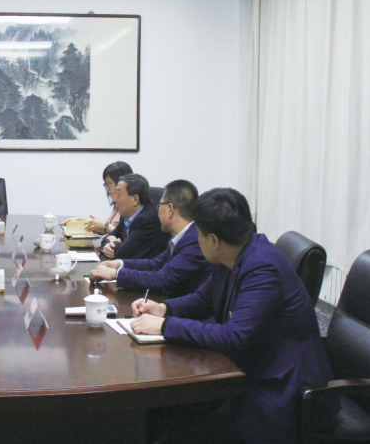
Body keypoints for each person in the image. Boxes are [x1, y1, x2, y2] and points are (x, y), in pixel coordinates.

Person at [128, 188, 339, 444]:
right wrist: (164, 309)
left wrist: (164, 326)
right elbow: (203, 299)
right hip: (250, 367)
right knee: (167, 416)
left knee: (178, 425)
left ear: (213, 240)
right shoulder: (231, 253)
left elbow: (233, 337)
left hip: (282, 391)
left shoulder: (262, 268)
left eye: (199, 235)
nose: (196, 240)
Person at [90, 180, 211, 299]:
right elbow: (155, 264)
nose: (157, 211)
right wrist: (119, 264)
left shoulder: (194, 241)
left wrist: (116, 274)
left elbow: (162, 279)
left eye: (160, 206)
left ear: (170, 209)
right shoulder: (181, 237)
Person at [99, 173, 170, 260]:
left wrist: (112, 243)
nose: (114, 199)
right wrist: (107, 244)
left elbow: (122, 253)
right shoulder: (126, 215)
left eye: (118, 194)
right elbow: (111, 235)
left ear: (135, 199)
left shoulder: (146, 220)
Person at [61, 161, 132, 235]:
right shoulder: (117, 205)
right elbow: (105, 229)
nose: (107, 188)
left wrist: (105, 226)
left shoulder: (129, 208)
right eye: (106, 184)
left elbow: (125, 236)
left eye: (110, 183)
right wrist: (83, 222)